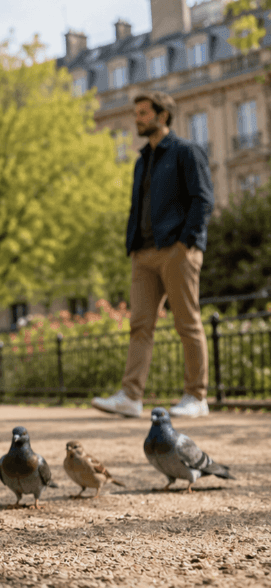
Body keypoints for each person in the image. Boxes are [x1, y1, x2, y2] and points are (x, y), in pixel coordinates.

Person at [92, 91, 214, 419]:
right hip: (143, 254)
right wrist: (132, 244)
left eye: (143, 113)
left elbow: (202, 199)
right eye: (136, 113)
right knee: (139, 326)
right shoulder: (141, 160)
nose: (137, 119)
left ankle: (196, 396)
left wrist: (187, 242)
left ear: (163, 115)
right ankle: (131, 396)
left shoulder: (187, 152)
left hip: (176, 250)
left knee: (187, 323)